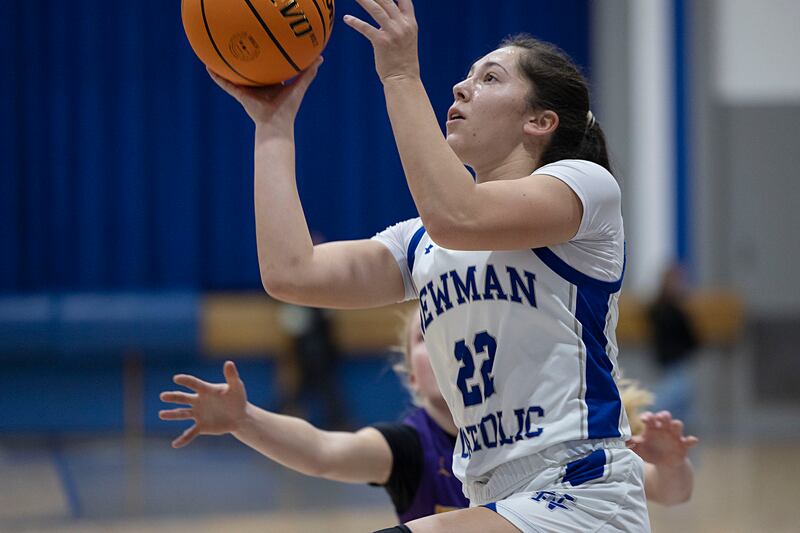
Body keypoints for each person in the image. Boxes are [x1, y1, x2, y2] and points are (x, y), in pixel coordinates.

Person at [203, 0, 648, 529]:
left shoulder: (586, 188)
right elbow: (290, 273)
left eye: (489, 78)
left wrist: (399, 72)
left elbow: (459, 215)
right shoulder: (421, 243)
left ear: (539, 120)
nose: (460, 89)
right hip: (492, 497)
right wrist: (273, 126)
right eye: (465, 77)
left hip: (580, 495)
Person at [160, 311, 697, 522]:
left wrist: (671, 464)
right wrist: (245, 419)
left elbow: (668, 492)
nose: (443, 346)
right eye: (425, 337)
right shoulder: (410, 447)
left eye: (456, 333)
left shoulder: (543, 432)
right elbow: (324, 452)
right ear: (410, 374)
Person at [647, 263, 699, 425]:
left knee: (681, 406)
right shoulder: (663, 310)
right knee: (666, 402)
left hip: (678, 362)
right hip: (669, 364)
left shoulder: (678, 311)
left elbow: (692, 338)